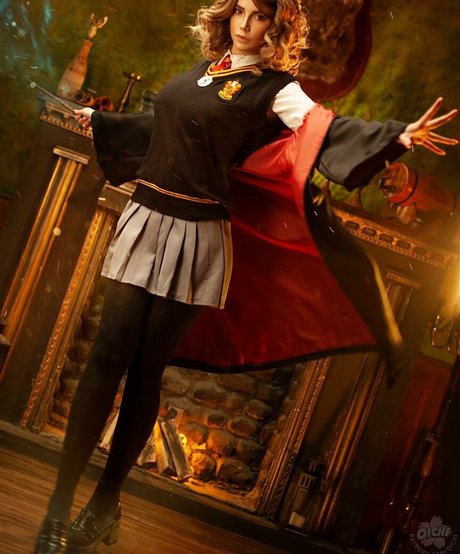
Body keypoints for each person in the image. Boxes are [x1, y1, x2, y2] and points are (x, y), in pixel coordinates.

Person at [35, 0, 457, 552]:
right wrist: (100, 121)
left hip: (196, 236)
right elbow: (165, 127)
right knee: (105, 356)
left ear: (275, 28)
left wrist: (398, 136)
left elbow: (325, 130)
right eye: (239, 9)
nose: (244, 22)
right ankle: (57, 507)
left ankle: (104, 503)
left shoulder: (277, 89)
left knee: (144, 370)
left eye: (259, 15)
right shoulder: (204, 71)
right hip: (146, 219)